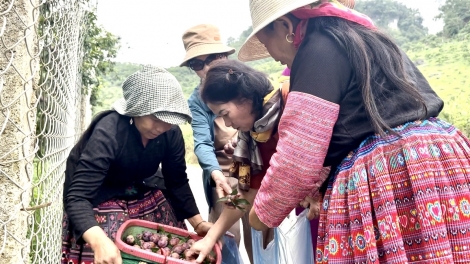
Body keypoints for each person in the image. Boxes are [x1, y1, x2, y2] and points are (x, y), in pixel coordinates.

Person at [237, 0, 470, 263]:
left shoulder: (317, 47)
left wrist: (262, 214)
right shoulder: (365, 37)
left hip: (392, 168)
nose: (273, 55)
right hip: (443, 156)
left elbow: (298, 158)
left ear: (285, 25)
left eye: (266, 43)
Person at [61, 65, 212, 264]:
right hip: (99, 196)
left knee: (164, 246)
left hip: (140, 188)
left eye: (168, 121)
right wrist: (98, 241)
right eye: (155, 118)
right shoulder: (109, 132)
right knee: (111, 249)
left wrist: (198, 223)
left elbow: (176, 181)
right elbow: (78, 197)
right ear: (136, 110)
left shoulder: (170, 133)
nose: (161, 127)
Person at [189, 60, 322, 263]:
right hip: (307, 211)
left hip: (329, 201)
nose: (226, 124)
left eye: (225, 114)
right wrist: (209, 239)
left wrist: (315, 189)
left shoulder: (290, 102)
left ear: (245, 98)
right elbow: (245, 193)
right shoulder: (253, 136)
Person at [180, 24, 253, 262]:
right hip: (222, 175)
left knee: (261, 233)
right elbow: (202, 143)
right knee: (225, 240)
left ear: (224, 56)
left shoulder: (248, 82)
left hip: (255, 168)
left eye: (211, 58)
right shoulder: (197, 100)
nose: (207, 68)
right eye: (197, 64)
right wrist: (214, 173)